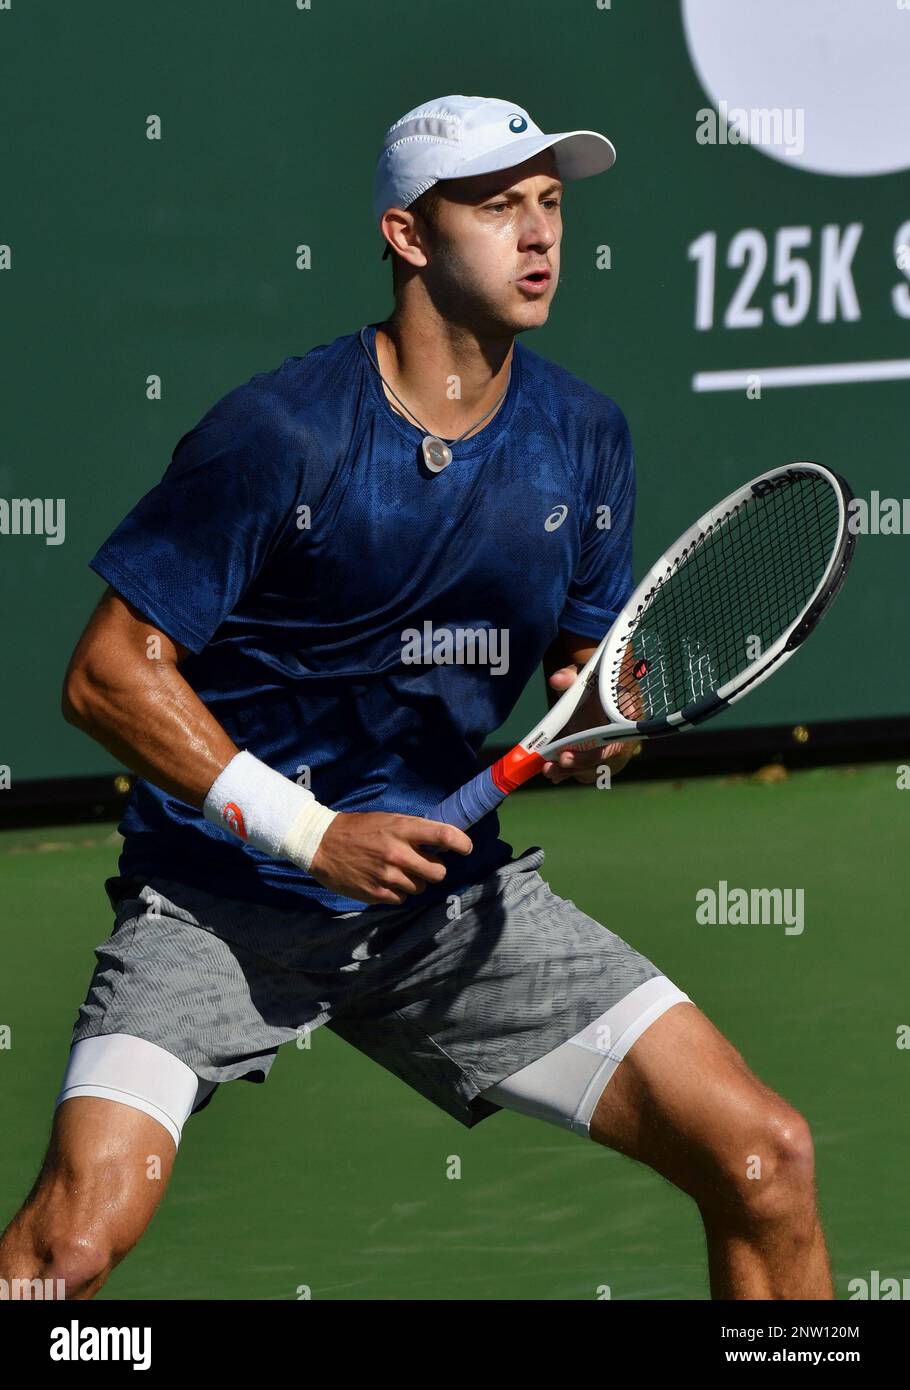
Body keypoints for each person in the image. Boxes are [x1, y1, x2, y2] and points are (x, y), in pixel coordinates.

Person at [0, 95, 831, 1300]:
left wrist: (596, 730)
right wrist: (314, 834)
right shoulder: (281, 433)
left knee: (765, 1157)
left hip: (446, 904)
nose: (539, 234)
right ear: (407, 236)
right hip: (222, 907)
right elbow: (107, 674)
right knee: (62, 1258)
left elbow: (586, 679)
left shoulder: (585, 436)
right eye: (497, 207)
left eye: (550, 204)